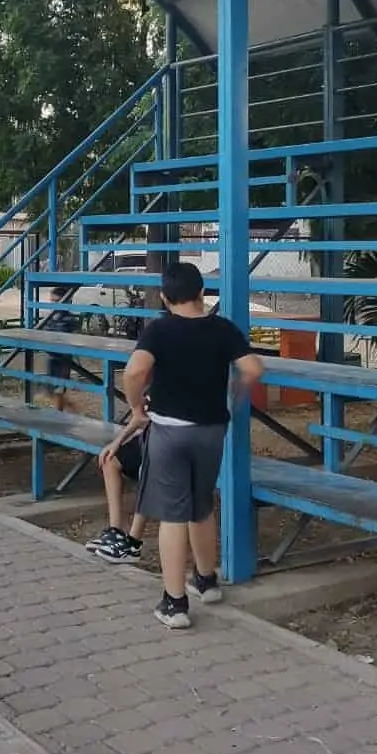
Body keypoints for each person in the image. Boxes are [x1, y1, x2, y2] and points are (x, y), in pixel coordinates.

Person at [103, 261, 263, 629]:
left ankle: (174, 603)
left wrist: (136, 407)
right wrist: (235, 395)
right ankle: (205, 580)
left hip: (169, 432)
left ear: (164, 296)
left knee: (172, 515)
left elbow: (133, 371)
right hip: (210, 431)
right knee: (202, 505)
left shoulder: (159, 331)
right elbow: (253, 368)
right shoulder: (223, 329)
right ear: (201, 292)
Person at [86, 420, 149, 564]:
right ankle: (116, 531)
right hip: (150, 437)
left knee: (148, 471)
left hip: (172, 437)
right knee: (110, 459)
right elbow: (140, 415)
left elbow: (142, 416)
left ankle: (133, 545)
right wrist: (118, 442)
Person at [41, 285, 78, 412]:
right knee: (50, 390)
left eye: (56, 301)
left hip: (62, 359)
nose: (53, 305)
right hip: (53, 357)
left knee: (58, 389)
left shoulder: (68, 318)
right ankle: (72, 408)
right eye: (52, 301)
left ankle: (61, 413)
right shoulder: (52, 318)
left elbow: (64, 334)